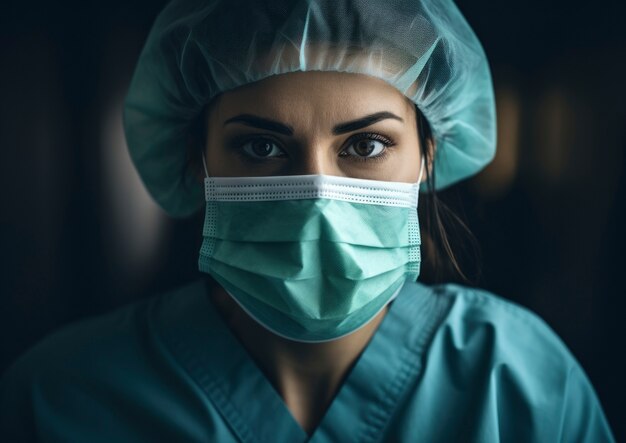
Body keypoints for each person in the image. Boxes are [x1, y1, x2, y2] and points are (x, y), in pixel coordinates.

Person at [0, 0, 616, 441]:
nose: (319, 196)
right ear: (197, 160)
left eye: (367, 145)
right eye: (262, 147)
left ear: (428, 155)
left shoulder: (519, 384)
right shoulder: (59, 398)